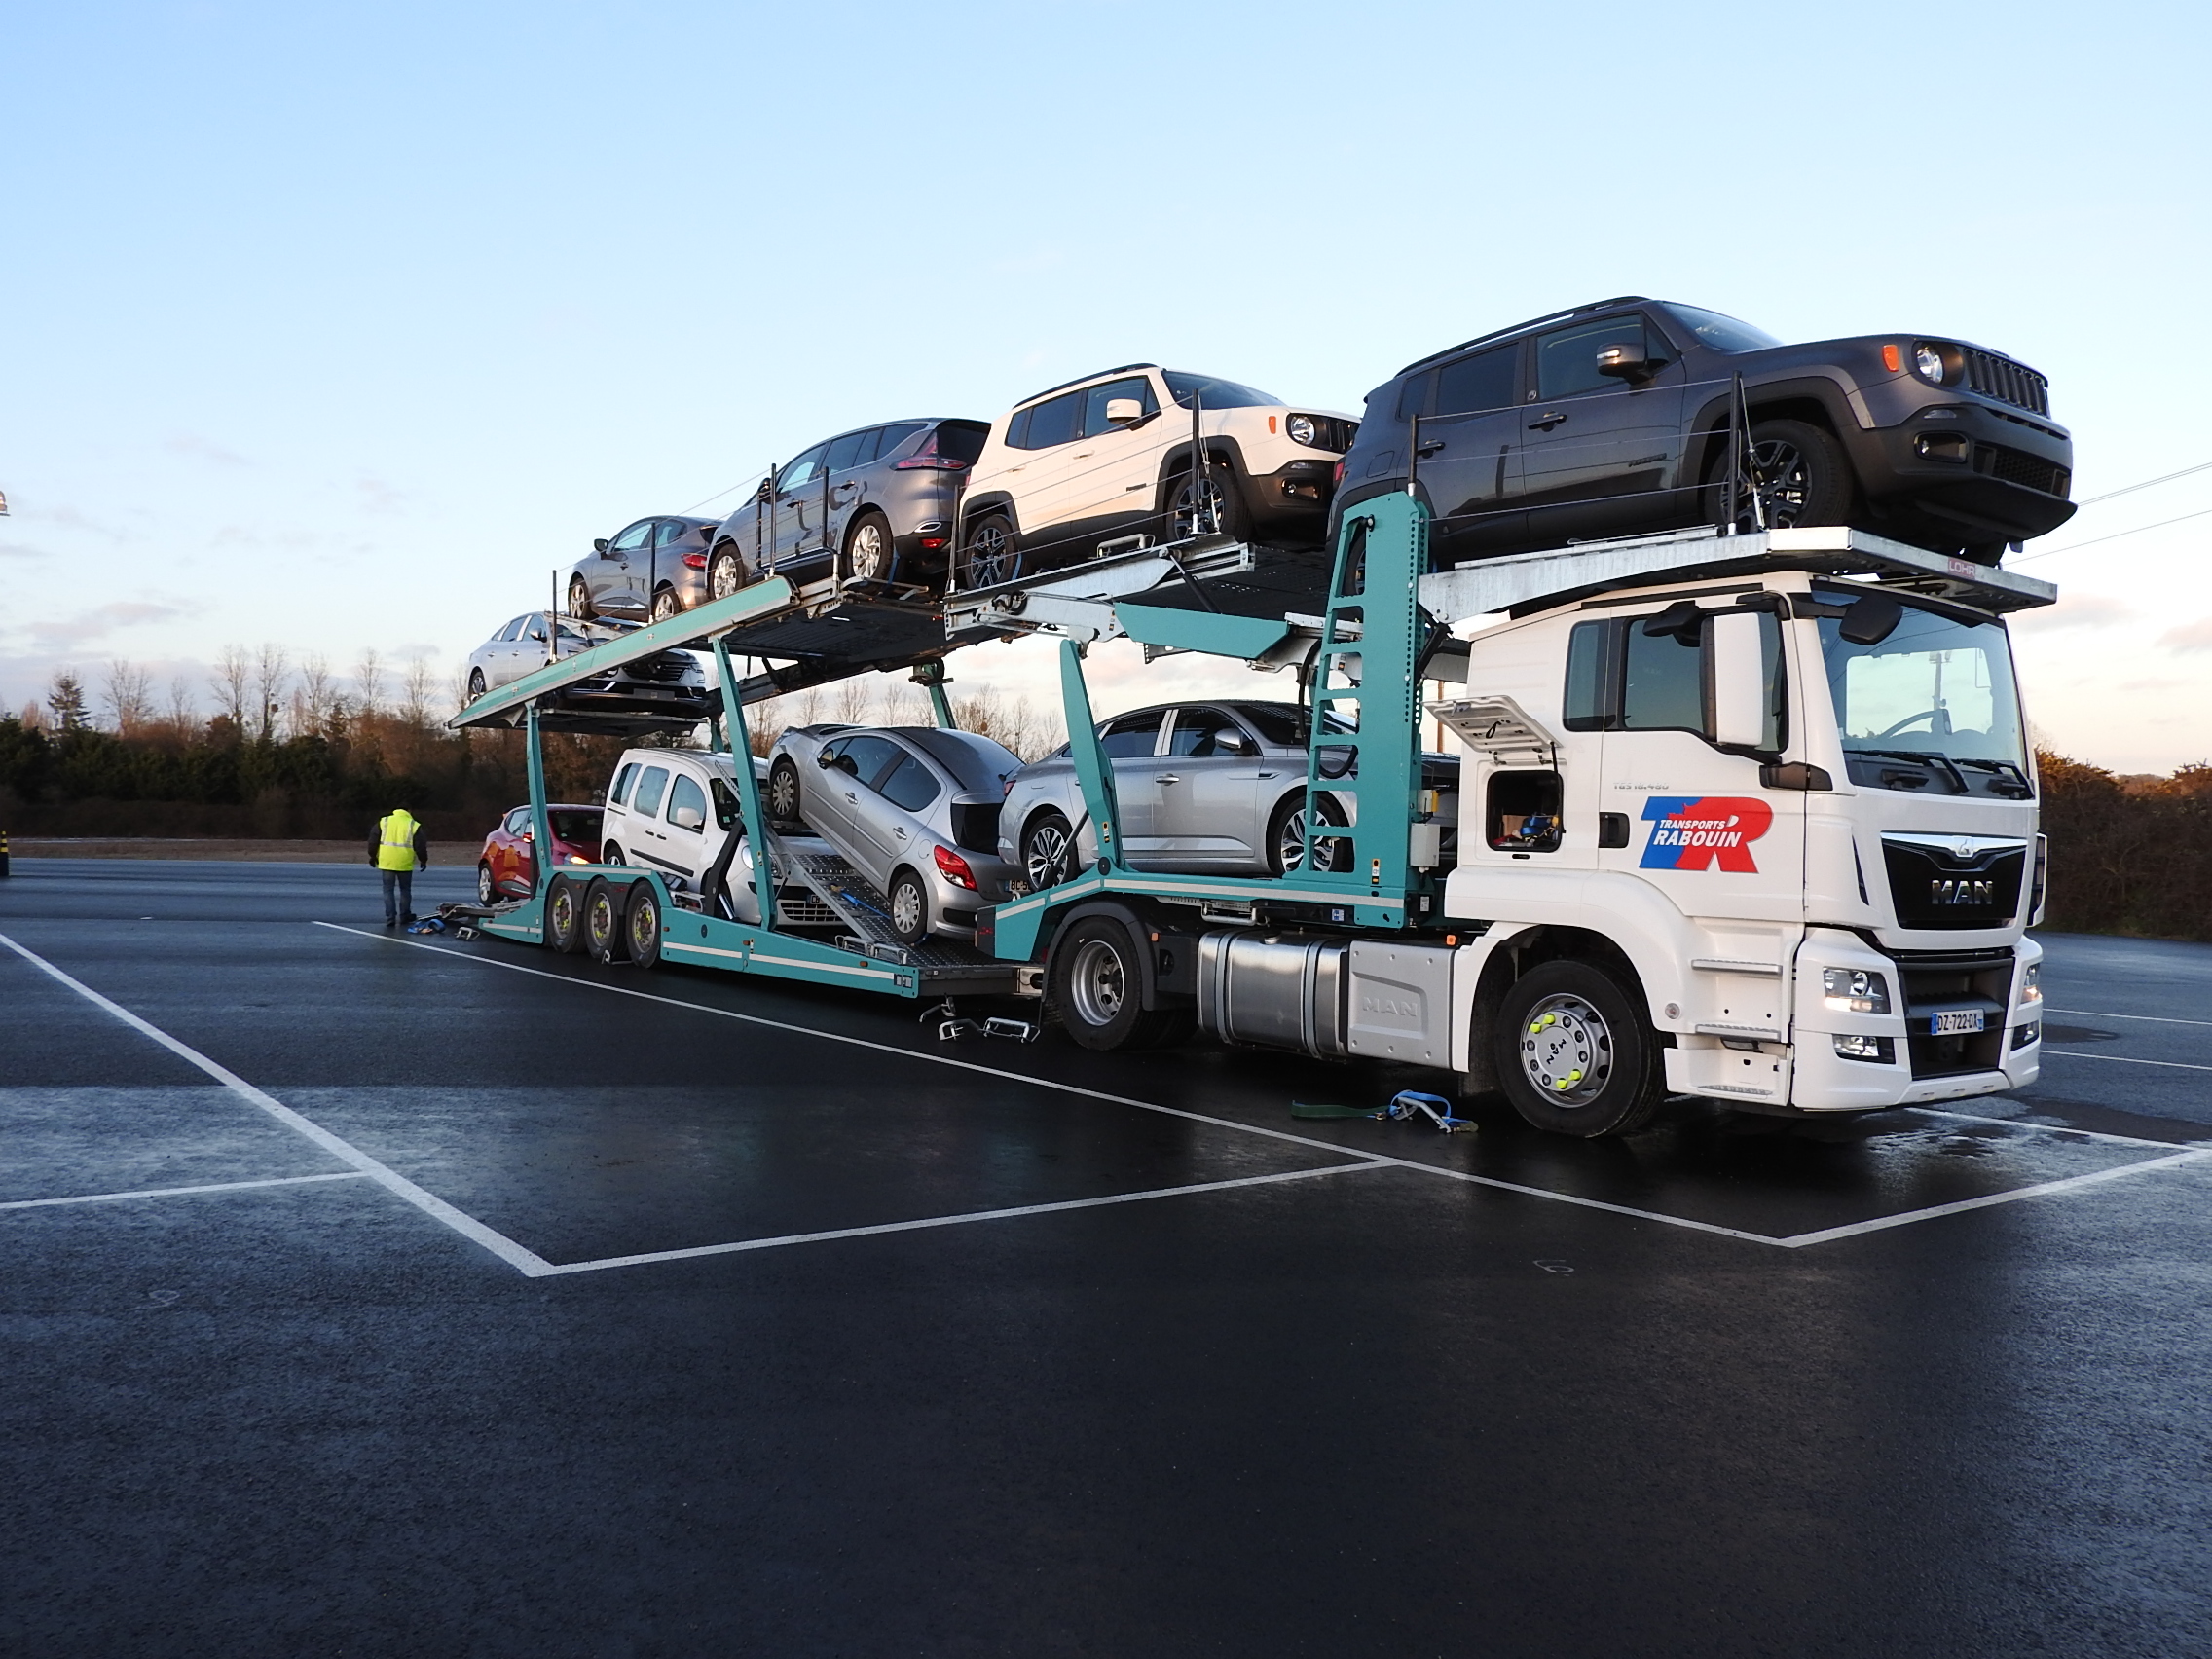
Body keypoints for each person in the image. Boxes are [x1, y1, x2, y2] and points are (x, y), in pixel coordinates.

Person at [369, 807, 429, 928]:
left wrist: (372, 856)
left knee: (388, 890)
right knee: (405, 890)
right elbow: (420, 845)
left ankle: (390, 917)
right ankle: (404, 915)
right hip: (404, 861)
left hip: (387, 860)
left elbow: (373, 841)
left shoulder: (384, 821)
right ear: (409, 811)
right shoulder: (413, 824)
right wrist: (423, 860)